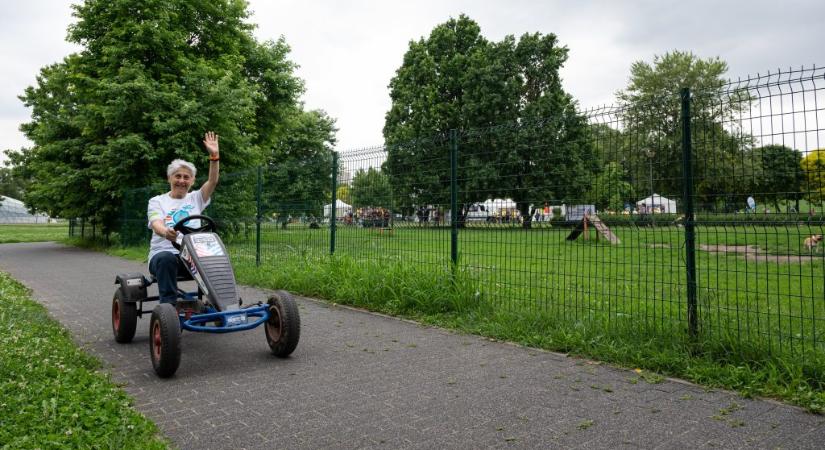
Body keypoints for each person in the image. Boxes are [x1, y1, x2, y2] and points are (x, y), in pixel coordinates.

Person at [147, 131, 220, 304]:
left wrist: (214, 156)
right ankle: (168, 307)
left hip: (193, 258)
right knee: (166, 259)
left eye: (186, 177)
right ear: (169, 178)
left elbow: (213, 181)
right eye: (177, 176)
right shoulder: (157, 201)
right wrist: (166, 232)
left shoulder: (196, 198)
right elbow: (156, 223)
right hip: (163, 257)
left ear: (192, 181)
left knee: (217, 257)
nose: (181, 180)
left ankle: (219, 303)